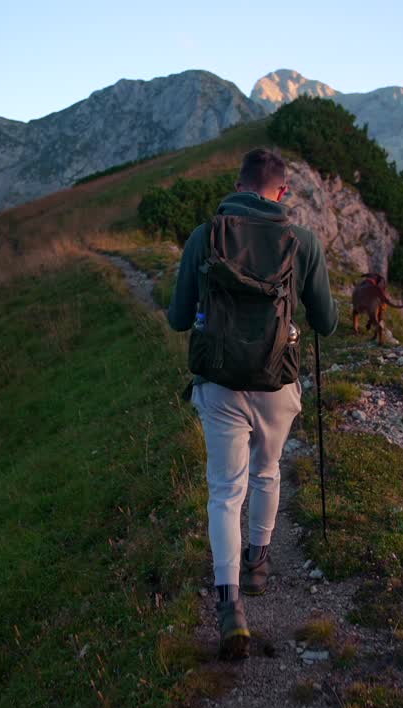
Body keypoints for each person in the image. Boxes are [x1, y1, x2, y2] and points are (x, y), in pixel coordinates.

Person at [167, 148, 338, 659]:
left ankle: (230, 606)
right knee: (267, 472)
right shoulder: (302, 241)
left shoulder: (205, 237)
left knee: (225, 491)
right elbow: (327, 323)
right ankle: (259, 561)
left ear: (237, 184)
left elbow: (178, 319)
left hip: (218, 384)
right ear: (281, 192)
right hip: (277, 383)